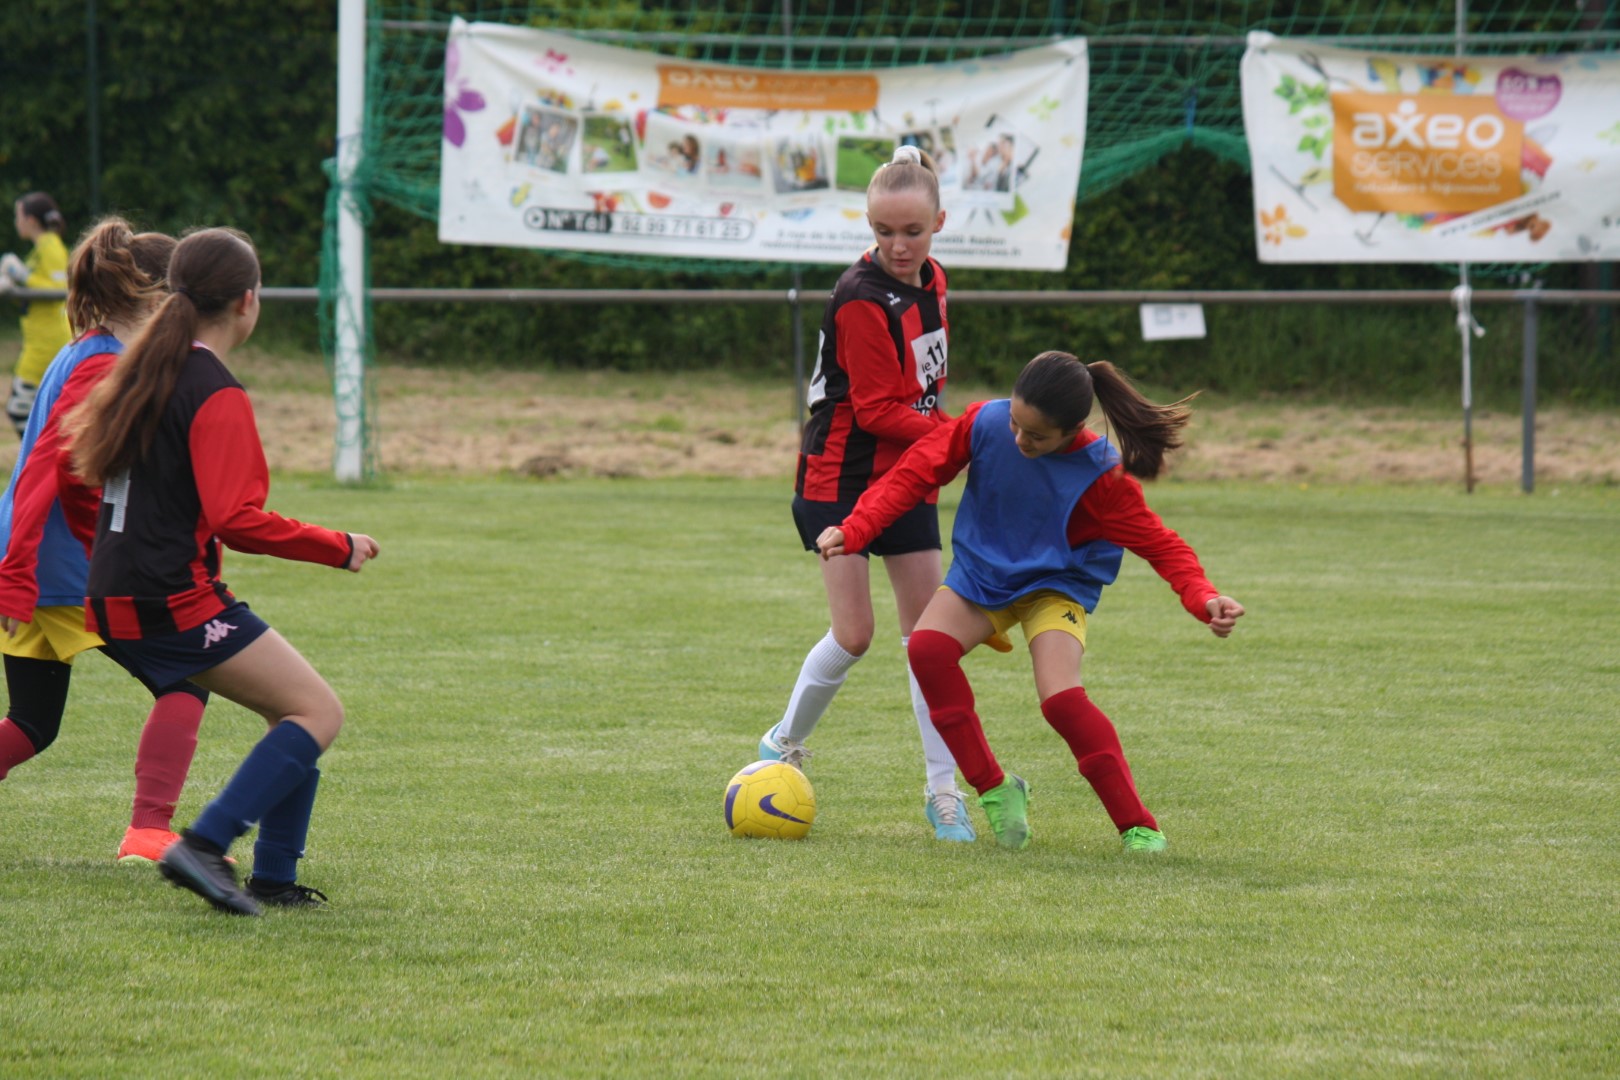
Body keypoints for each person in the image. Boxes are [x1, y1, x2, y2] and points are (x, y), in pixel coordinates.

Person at [61, 227, 380, 915]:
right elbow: (238, 519)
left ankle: (274, 879)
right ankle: (204, 845)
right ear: (247, 301)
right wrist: (337, 545)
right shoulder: (211, 387)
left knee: (290, 710)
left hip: (113, 589)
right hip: (168, 595)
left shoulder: (145, 369)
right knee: (317, 711)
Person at [815, 352, 1246, 852]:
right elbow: (912, 473)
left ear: (1073, 431)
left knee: (1061, 701)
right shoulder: (984, 421)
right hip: (982, 575)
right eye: (1016, 424)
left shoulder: (1101, 478)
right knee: (928, 651)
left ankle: (1138, 826)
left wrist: (1203, 597)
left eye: (1037, 436)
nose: (1020, 440)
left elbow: (1161, 545)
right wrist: (857, 527)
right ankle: (996, 789)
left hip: (1055, 586)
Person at [761, 143, 975, 842]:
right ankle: (782, 742)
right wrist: (961, 437)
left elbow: (922, 389)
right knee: (855, 636)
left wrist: (944, 439)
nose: (897, 245)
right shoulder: (860, 297)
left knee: (929, 642)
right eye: (883, 231)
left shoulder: (934, 280)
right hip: (841, 477)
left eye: (912, 231)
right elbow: (880, 410)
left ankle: (943, 793)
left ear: (939, 222)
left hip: (906, 473)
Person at [0, 218, 222, 864]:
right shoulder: (100, 365)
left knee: (33, 722)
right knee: (186, 675)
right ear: (156, 299)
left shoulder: (88, 349)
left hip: (36, 563)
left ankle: (150, 830)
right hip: (62, 569)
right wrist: (18, 574)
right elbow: (46, 469)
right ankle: (150, 831)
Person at [0, 193, 74, 437]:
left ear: (31, 220)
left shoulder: (51, 247)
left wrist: (22, 277)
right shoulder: (40, 249)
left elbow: (59, 289)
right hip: (37, 343)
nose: (16, 222)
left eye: (18, 216)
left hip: (47, 344)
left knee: (19, 409)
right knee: (36, 411)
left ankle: (38, 455)